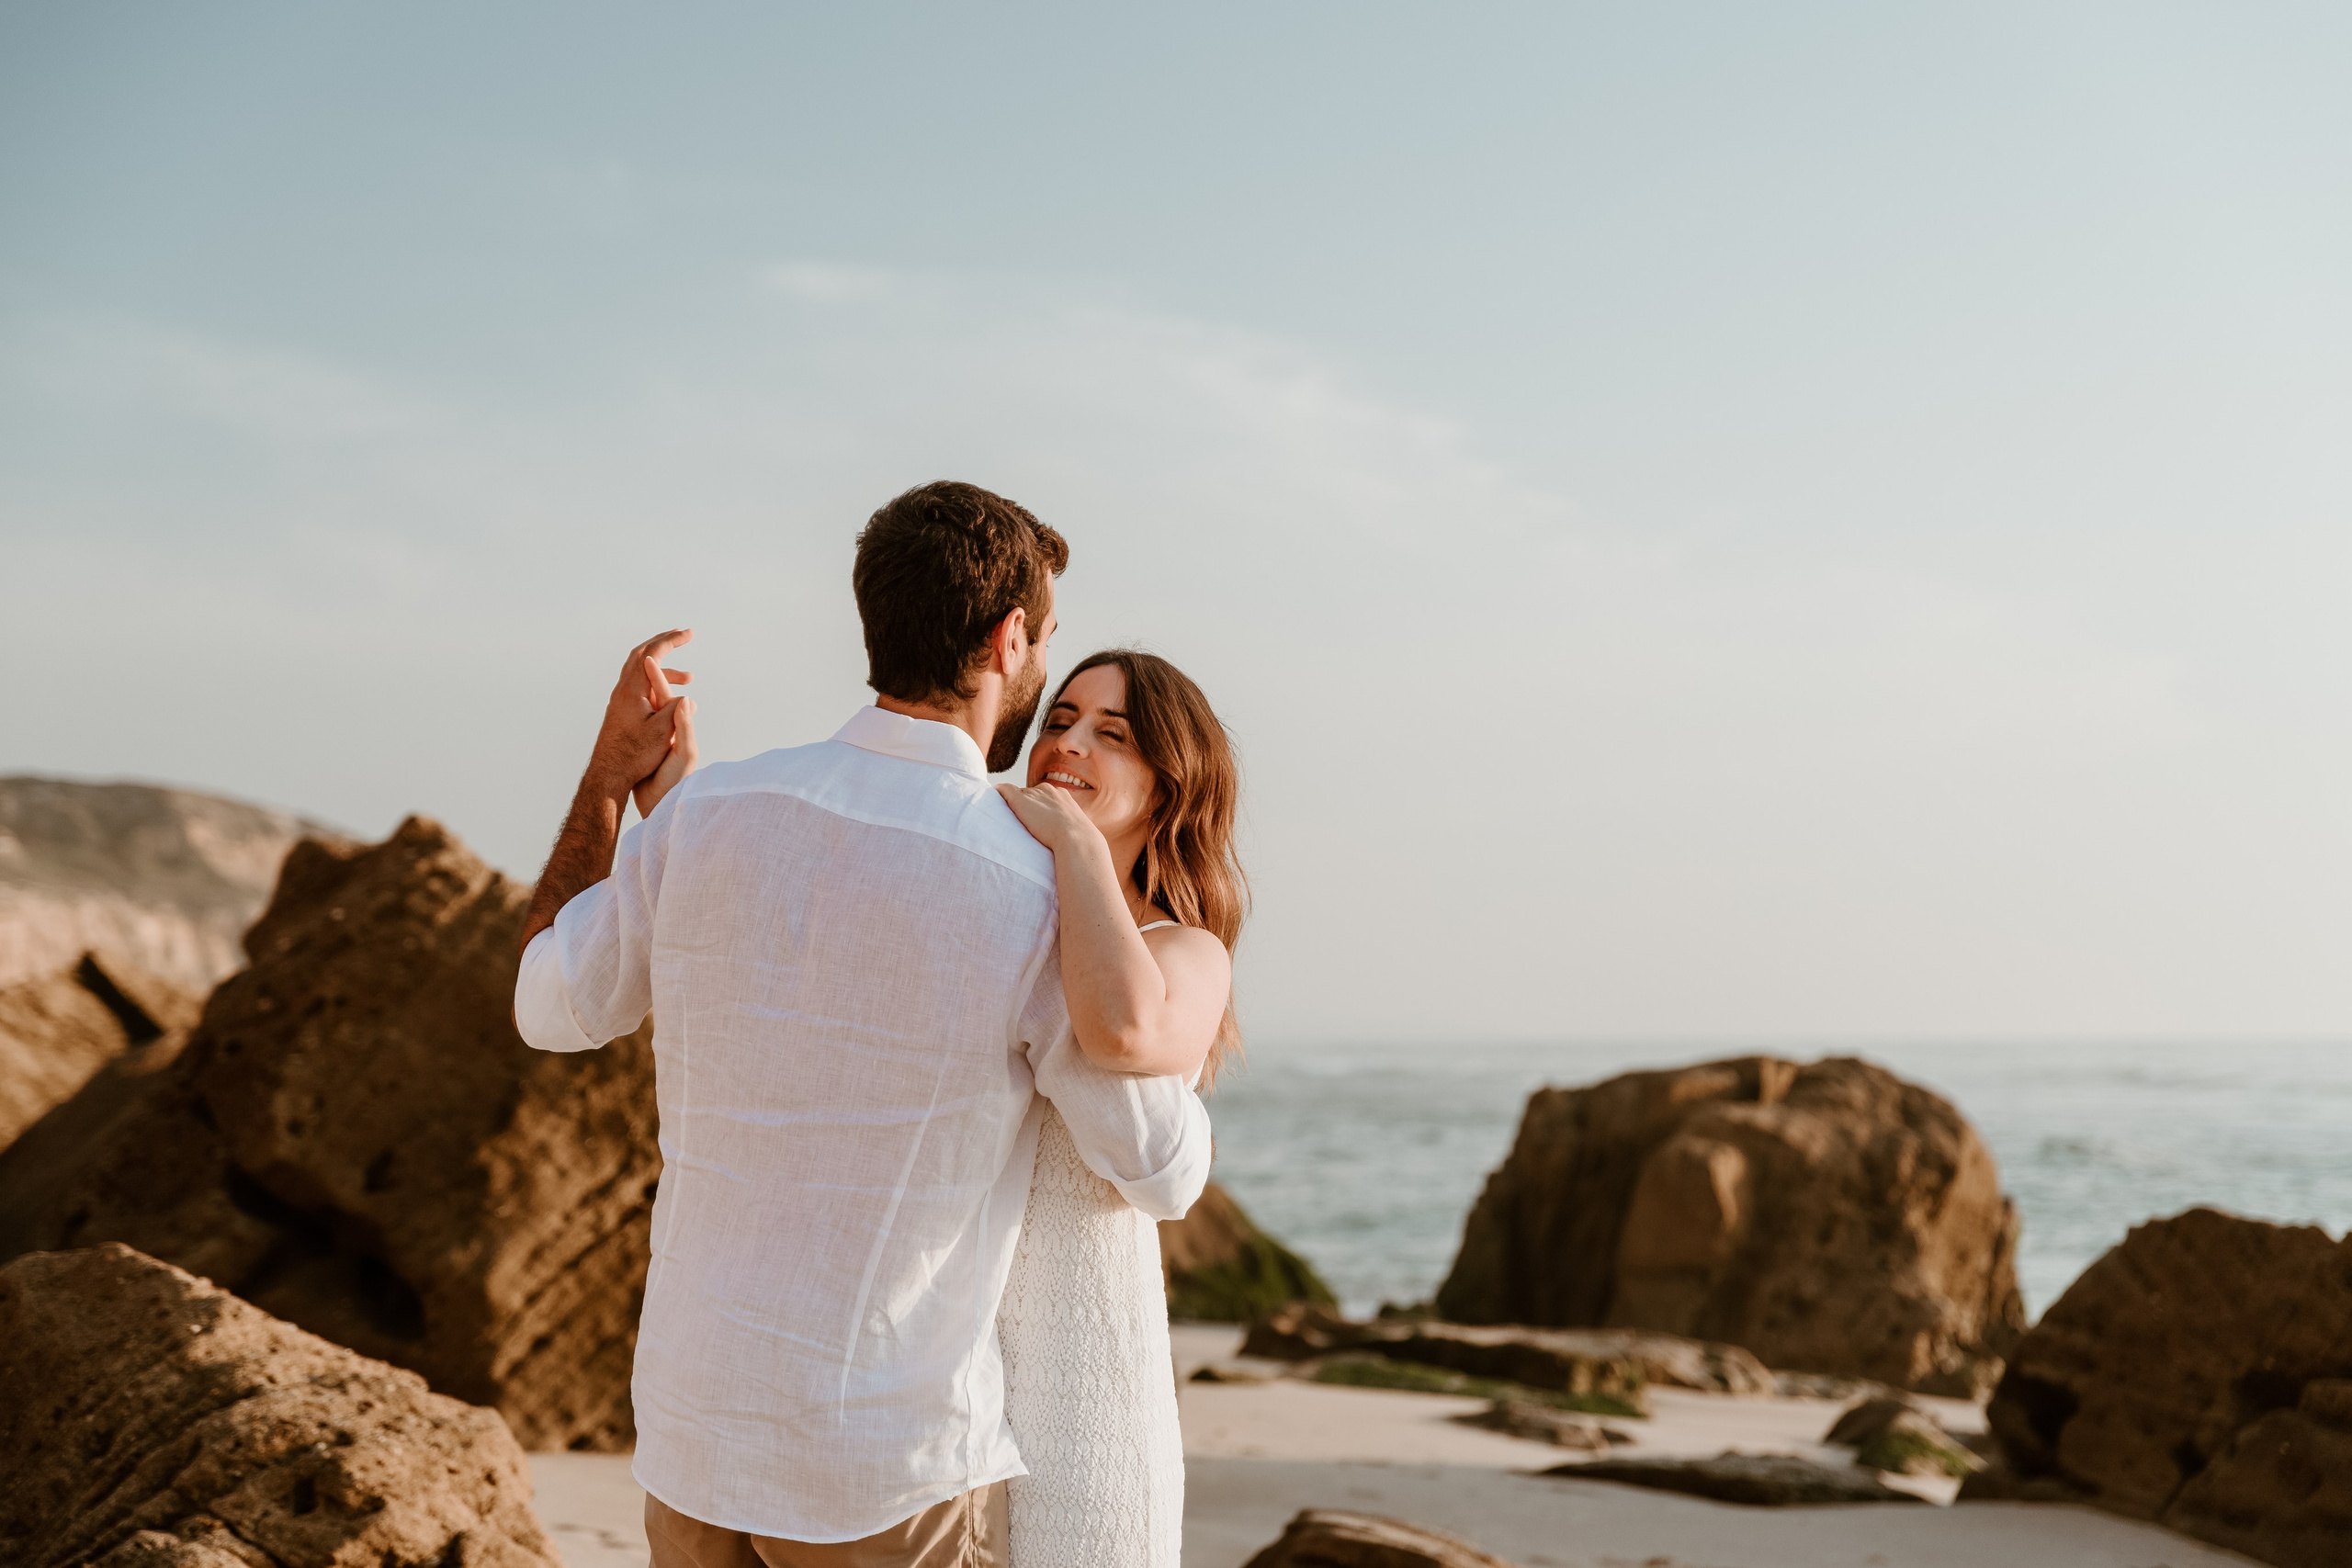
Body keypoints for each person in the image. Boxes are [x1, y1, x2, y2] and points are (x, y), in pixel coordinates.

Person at [511, 482, 1212, 1568]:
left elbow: (546, 1005)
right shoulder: (1034, 887)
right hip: (883, 1459)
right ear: (1008, 636)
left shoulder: (706, 815)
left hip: (695, 1433)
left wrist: (608, 784)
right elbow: (1154, 1167)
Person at [991, 649, 1246, 1568]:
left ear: (1169, 788)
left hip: (1091, 1400)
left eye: (1112, 734)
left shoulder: (1185, 951)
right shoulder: (989, 918)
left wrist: (1071, 848)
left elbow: (1127, 1035)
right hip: (942, 1390)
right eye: (1057, 721)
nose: (1067, 745)